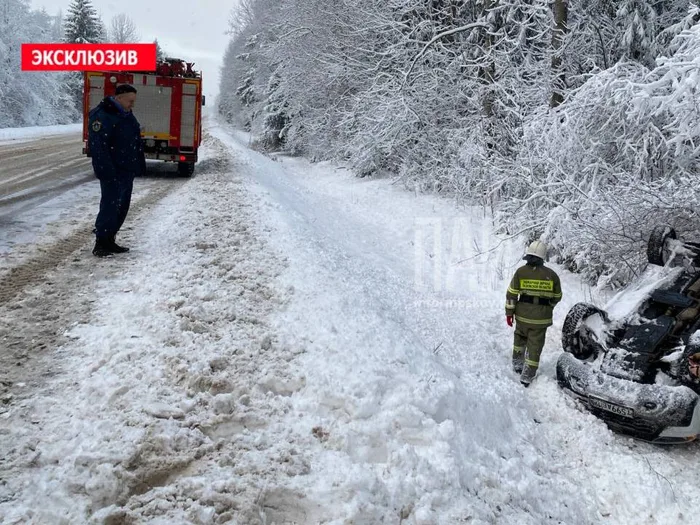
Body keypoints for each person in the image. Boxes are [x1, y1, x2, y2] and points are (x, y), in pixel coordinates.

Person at [88, 83, 146, 257]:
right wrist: (106, 171)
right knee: (110, 206)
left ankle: (110, 239)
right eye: (130, 101)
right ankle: (101, 243)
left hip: (126, 170)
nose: (132, 105)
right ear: (119, 98)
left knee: (121, 207)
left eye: (133, 101)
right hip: (112, 171)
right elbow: (98, 147)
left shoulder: (125, 114)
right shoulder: (103, 115)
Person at [505, 240, 562, 386]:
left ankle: (517, 365)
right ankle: (527, 376)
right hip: (540, 320)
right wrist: (548, 306)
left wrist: (509, 313)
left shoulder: (521, 272)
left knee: (519, 339)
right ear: (543, 257)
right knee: (534, 346)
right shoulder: (552, 275)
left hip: (522, 316)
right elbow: (557, 297)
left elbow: (511, 294)